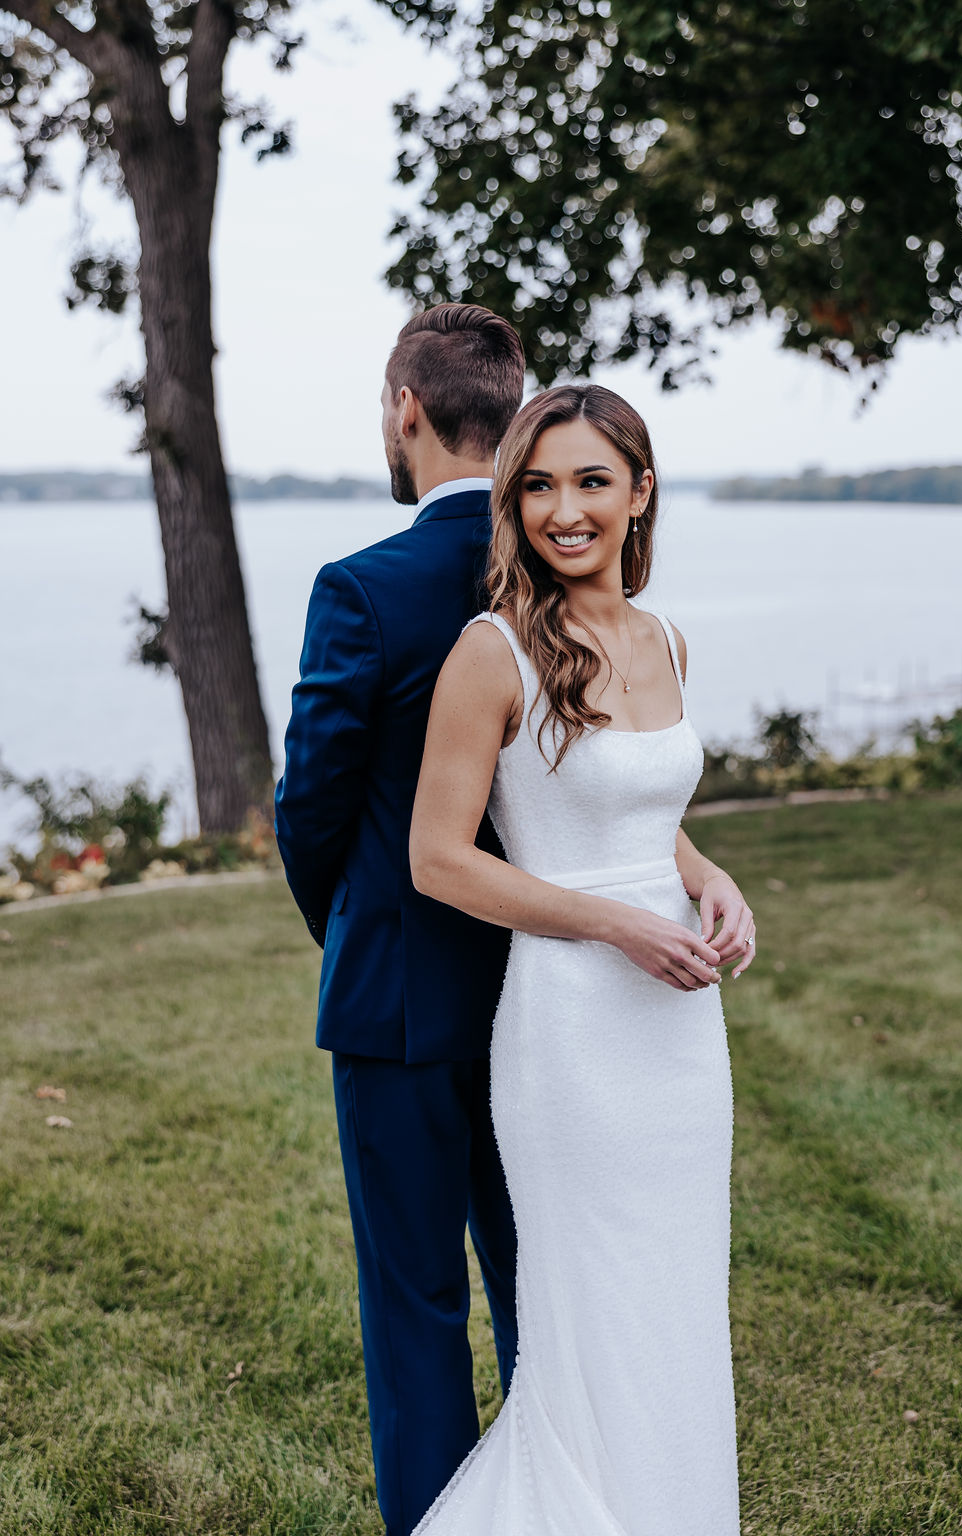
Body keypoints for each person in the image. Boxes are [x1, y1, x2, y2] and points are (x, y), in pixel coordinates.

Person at [408, 383, 756, 1535]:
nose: (565, 510)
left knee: (673, 1300)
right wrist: (616, 923)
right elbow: (439, 861)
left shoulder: (663, 639)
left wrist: (705, 880)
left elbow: (642, 812)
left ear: (640, 492)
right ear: (513, 499)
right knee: (591, 1311)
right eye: (540, 484)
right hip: (570, 1032)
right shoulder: (491, 652)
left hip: (677, 1036)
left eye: (592, 481)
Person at [274, 303, 526, 1536]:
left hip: (401, 1000)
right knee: (545, 1287)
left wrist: (359, 929)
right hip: (549, 990)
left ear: (406, 411)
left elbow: (311, 808)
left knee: (417, 1301)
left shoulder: (360, 587)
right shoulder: (554, 573)